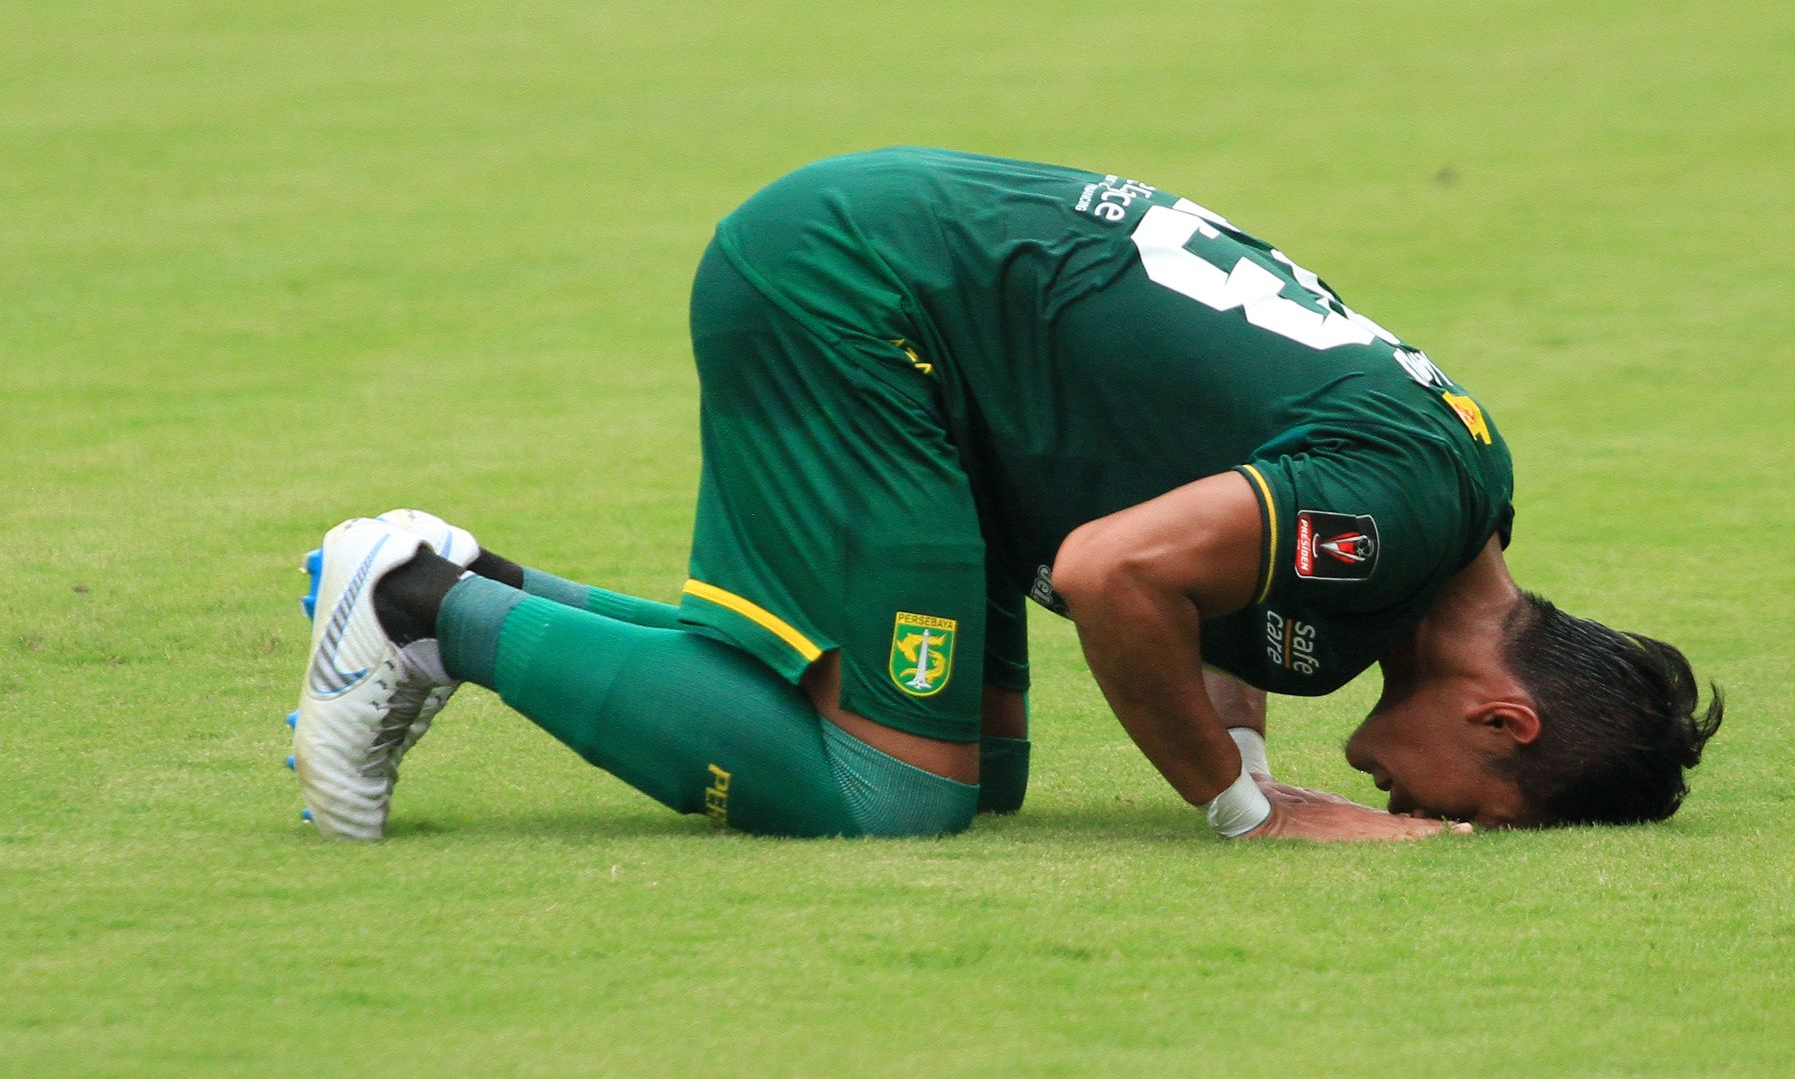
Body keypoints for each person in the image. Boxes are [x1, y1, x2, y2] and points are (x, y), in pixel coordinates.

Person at [287, 148, 1722, 842]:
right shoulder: (1405, 510)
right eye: (1477, 808)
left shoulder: (1444, 522)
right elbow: (1116, 575)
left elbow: (1227, 597)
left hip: (937, 342)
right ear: (1501, 715)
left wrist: (1245, 751)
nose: (1403, 799)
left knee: (986, 772)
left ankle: (477, 582)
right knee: (899, 795)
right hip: (862, 300)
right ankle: (418, 608)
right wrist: (1246, 809)